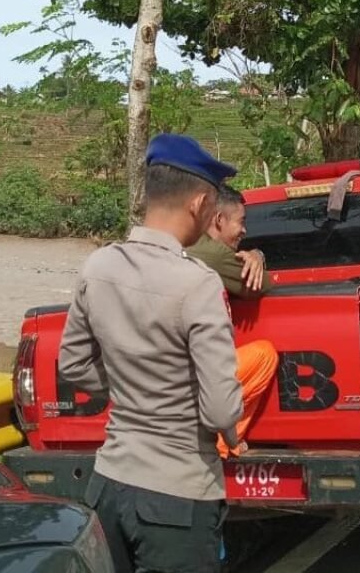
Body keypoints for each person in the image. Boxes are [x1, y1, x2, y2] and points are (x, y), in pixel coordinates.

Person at [58, 133, 242, 573]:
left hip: (108, 484)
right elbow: (220, 409)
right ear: (200, 203)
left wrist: (129, 389)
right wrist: (232, 434)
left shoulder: (98, 266)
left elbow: (72, 364)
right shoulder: (197, 283)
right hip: (178, 495)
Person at [188, 184, 278, 458]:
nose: (244, 230)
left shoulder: (187, 245)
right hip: (198, 377)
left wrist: (256, 254)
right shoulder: (213, 255)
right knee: (264, 355)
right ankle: (223, 443)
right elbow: (262, 284)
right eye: (241, 221)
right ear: (219, 219)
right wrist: (258, 257)